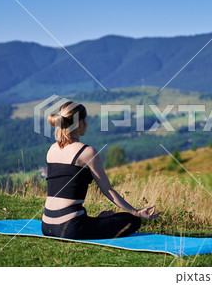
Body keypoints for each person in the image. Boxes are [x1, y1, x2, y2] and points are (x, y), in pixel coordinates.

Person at [41, 101, 160, 239]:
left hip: (46, 226)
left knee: (97, 219)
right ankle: (99, 221)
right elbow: (108, 190)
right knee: (132, 221)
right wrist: (136, 212)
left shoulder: (51, 150)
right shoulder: (87, 152)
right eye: (86, 120)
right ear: (80, 123)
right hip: (71, 228)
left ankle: (94, 221)